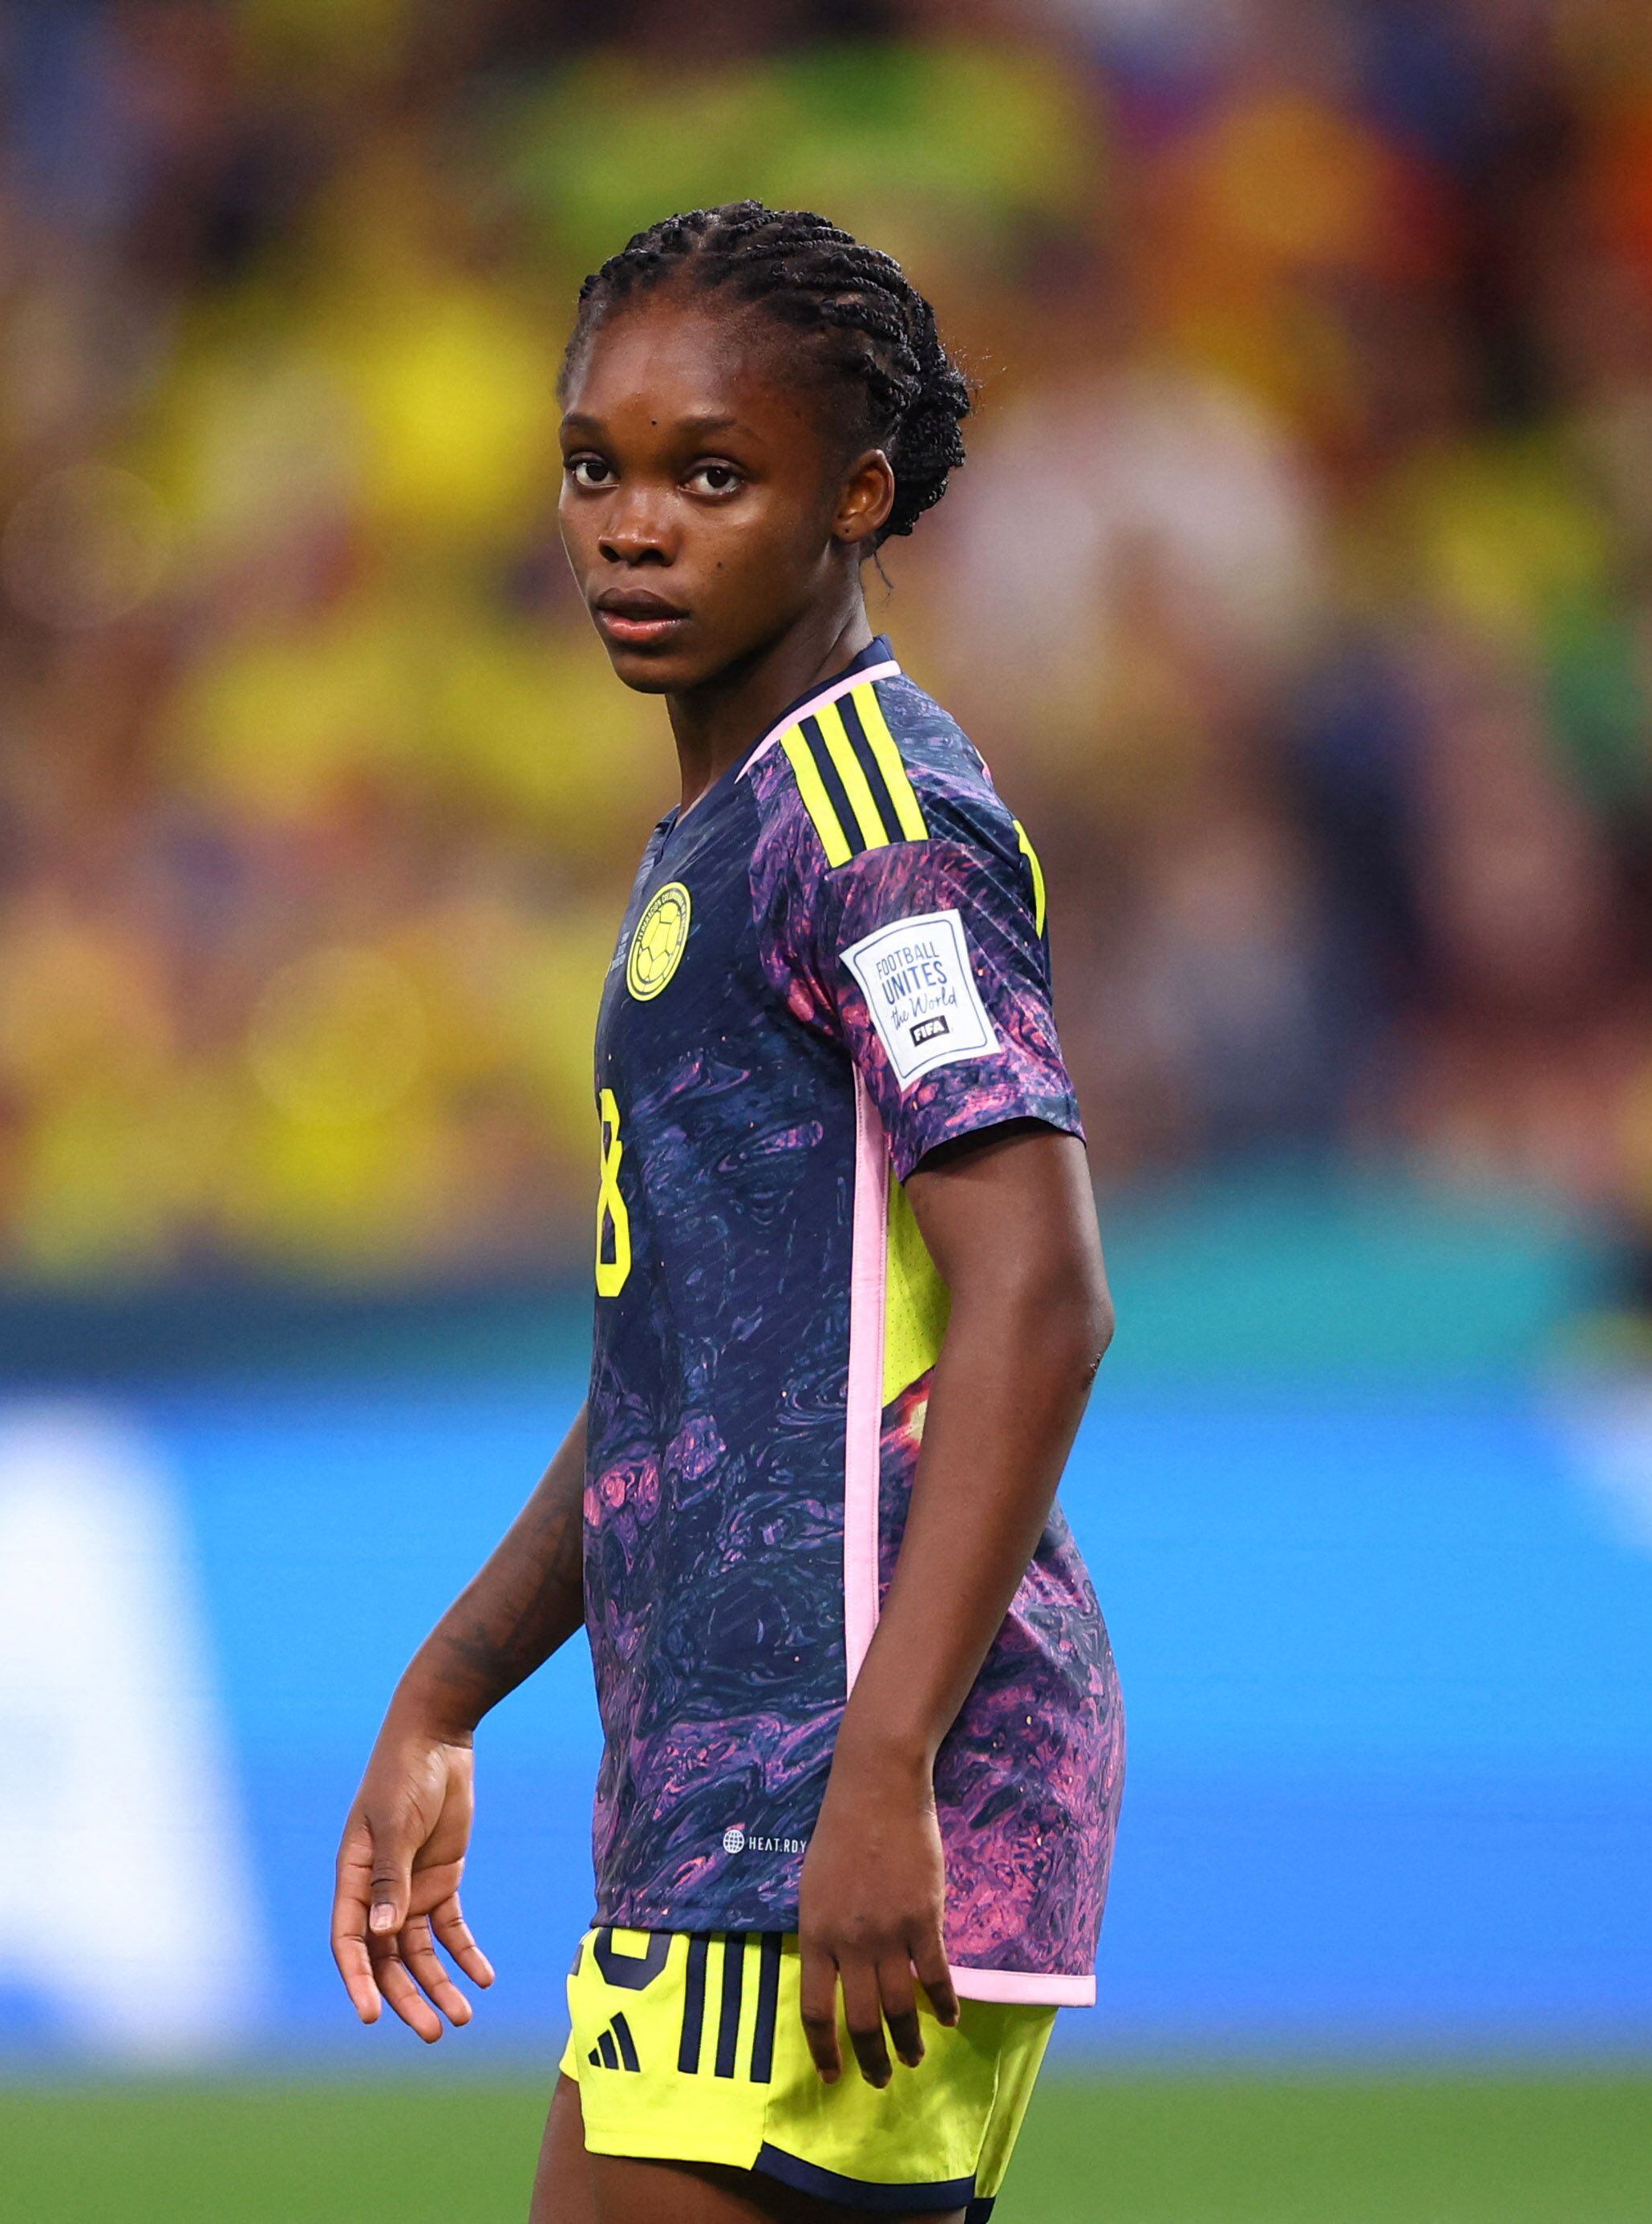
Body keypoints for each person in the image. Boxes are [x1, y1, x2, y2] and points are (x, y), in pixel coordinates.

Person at [334, 203, 1123, 2224]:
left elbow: (1041, 1297)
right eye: (596, 464)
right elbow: (690, 1378)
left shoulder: (874, 821)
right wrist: (447, 1686)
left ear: (856, 496)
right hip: (717, 1795)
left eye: (711, 473)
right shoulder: (724, 838)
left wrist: (879, 1771)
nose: (631, 523)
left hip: (859, 1787)